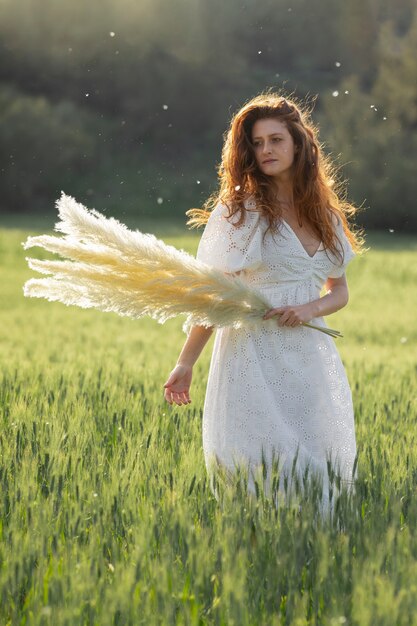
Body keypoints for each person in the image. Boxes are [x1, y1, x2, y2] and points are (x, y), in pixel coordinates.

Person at [163, 92, 364, 513]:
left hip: (310, 351)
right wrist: (186, 362)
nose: (266, 150)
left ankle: (313, 555)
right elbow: (216, 294)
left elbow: (339, 290)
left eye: (276, 139)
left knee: (316, 454)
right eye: (257, 142)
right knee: (256, 461)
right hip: (251, 350)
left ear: (299, 144)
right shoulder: (243, 209)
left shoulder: (324, 213)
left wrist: (310, 310)